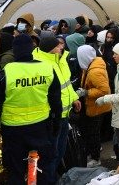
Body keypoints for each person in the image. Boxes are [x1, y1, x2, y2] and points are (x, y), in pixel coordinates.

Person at [0, 33, 61, 185]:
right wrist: (56, 125)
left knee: (16, 172)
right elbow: (56, 102)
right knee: (40, 170)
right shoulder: (47, 69)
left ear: (15, 51)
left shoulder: (6, 73)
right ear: (32, 49)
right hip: (40, 128)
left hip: (14, 132)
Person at [33, 36, 80, 180]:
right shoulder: (40, 63)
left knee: (60, 151)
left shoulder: (60, 59)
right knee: (50, 154)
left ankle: (53, 177)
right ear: (50, 49)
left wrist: (74, 98)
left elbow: (66, 83)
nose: (61, 48)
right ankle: (48, 179)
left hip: (64, 115)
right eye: (58, 45)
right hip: (51, 117)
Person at [76, 43, 111, 167]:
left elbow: (104, 90)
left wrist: (86, 92)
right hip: (94, 105)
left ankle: (96, 158)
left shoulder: (94, 71)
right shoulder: (91, 65)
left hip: (97, 106)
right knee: (92, 132)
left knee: (93, 133)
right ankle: (93, 152)